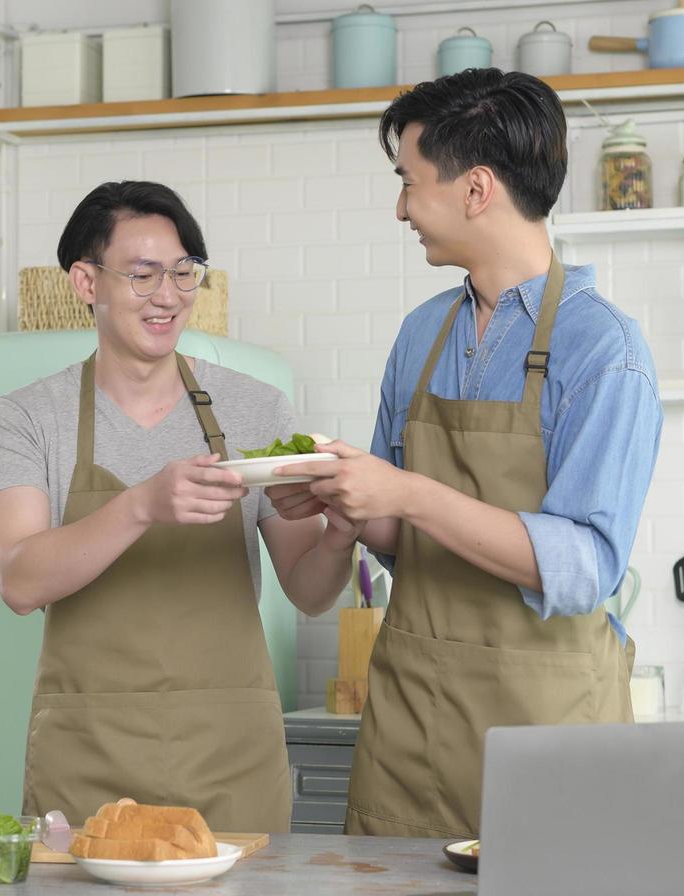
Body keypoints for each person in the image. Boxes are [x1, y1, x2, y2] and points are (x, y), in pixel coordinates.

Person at [270, 69, 663, 839]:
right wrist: (343, 497)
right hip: (411, 723)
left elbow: (585, 567)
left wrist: (406, 493)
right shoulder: (423, 335)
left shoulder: (604, 350)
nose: (401, 208)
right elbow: (406, 540)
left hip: (544, 733)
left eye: (409, 183)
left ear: (476, 189)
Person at [0, 181, 359, 833]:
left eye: (184, 273)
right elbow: (19, 579)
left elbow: (310, 590)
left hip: (231, 761)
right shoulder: (24, 419)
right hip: (87, 760)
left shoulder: (256, 409)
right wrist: (142, 505)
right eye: (143, 274)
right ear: (85, 282)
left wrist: (343, 531)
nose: (169, 296)